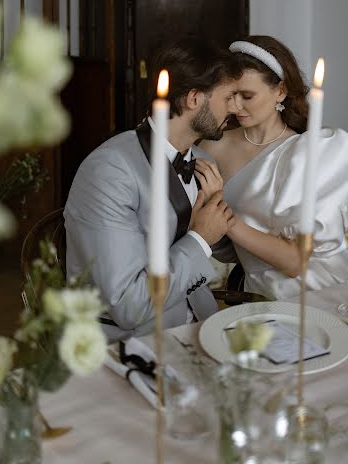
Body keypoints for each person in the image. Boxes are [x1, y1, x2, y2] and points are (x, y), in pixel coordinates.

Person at [64, 38, 241, 341]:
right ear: (194, 99)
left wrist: (216, 210)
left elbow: (219, 247)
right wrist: (200, 237)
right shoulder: (109, 172)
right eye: (230, 96)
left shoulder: (203, 162)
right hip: (130, 342)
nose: (237, 107)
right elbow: (129, 305)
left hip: (201, 325)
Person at [196, 35, 348, 300]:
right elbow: (215, 239)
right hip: (259, 287)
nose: (234, 106)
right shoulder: (211, 147)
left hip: (316, 284)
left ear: (281, 91)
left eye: (247, 96)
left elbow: (295, 263)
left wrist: (225, 220)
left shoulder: (309, 155)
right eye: (230, 95)